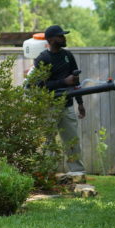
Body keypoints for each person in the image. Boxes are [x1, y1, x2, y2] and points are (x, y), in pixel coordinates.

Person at [34, 25, 86, 175]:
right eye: (60, 36)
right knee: (48, 142)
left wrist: (80, 103)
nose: (64, 38)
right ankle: (49, 173)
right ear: (50, 40)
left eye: (64, 35)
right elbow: (39, 85)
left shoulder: (68, 55)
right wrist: (64, 82)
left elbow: (76, 81)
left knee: (72, 141)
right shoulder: (43, 59)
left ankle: (77, 172)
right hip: (48, 107)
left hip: (67, 106)